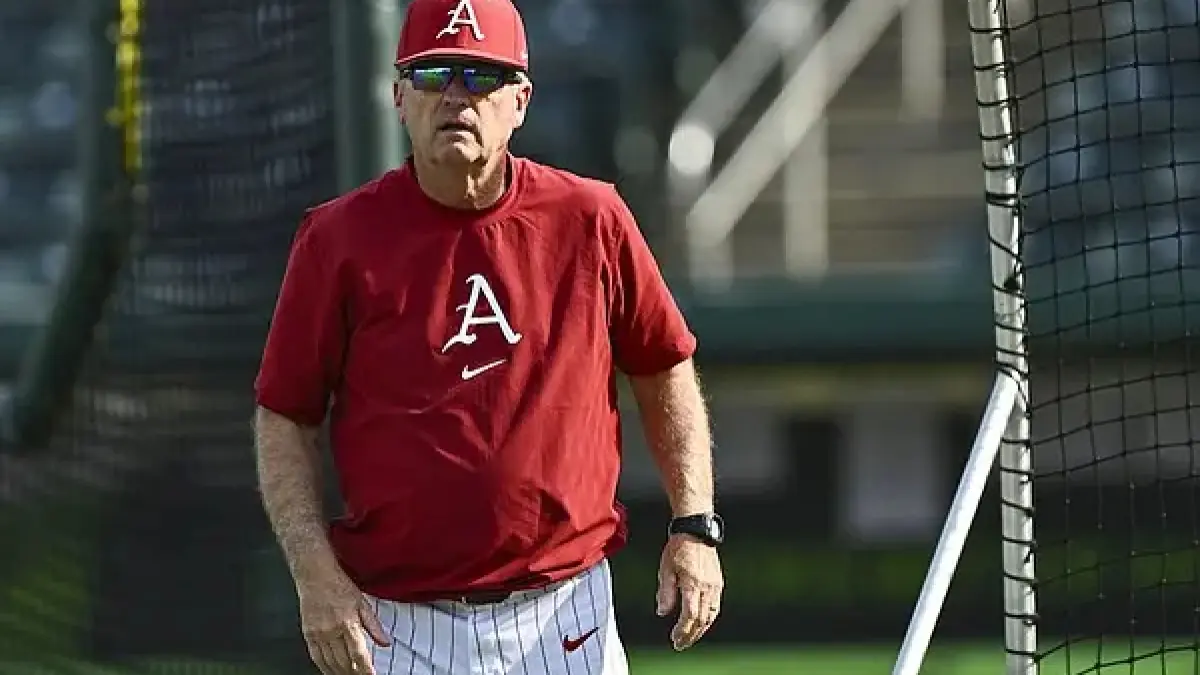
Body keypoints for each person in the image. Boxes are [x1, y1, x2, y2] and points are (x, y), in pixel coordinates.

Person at [252, 0, 724, 673]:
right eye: (433, 74)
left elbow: (664, 363)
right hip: (395, 625)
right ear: (398, 98)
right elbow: (284, 413)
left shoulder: (590, 217)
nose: (456, 96)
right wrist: (312, 572)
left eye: (481, 76)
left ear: (520, 101)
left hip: (565, 617)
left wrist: (694, 524)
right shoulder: (336, 239)